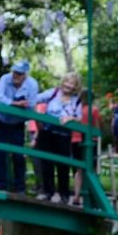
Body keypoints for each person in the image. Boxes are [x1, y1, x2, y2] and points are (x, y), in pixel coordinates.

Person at [0, 60, 39, 193]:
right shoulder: (5, 79)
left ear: (25, 75)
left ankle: (20, 187)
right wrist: (15, 103)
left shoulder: (32, 85)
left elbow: (31, 105)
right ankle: (2, 184)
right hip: (0, 120)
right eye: (14, 72)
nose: (15, 76)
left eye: (19, 73)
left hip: (17, 123)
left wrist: (20, 106)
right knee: (0, 153)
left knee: (18, 155)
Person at [34, 72, 82, 204]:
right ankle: (48, 192)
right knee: (47, 164)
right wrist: (37, 117)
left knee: (63, 166)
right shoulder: (53, 93)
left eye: (72, 83)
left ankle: (64, 195)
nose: (68, 85)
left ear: (76, 86)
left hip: (64, 136)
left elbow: (79, 118)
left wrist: (71, 118)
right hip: (47, 133)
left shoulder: (76, 99)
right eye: (67, 82)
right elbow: (34, 99)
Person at [70, 89, 103, 206]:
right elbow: (97, 128)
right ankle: (93, 196)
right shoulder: (93, 110)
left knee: (79, 170)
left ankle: (76, 196)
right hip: (89, 141)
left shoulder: (75, 110)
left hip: (75, 139)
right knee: (92, 168)